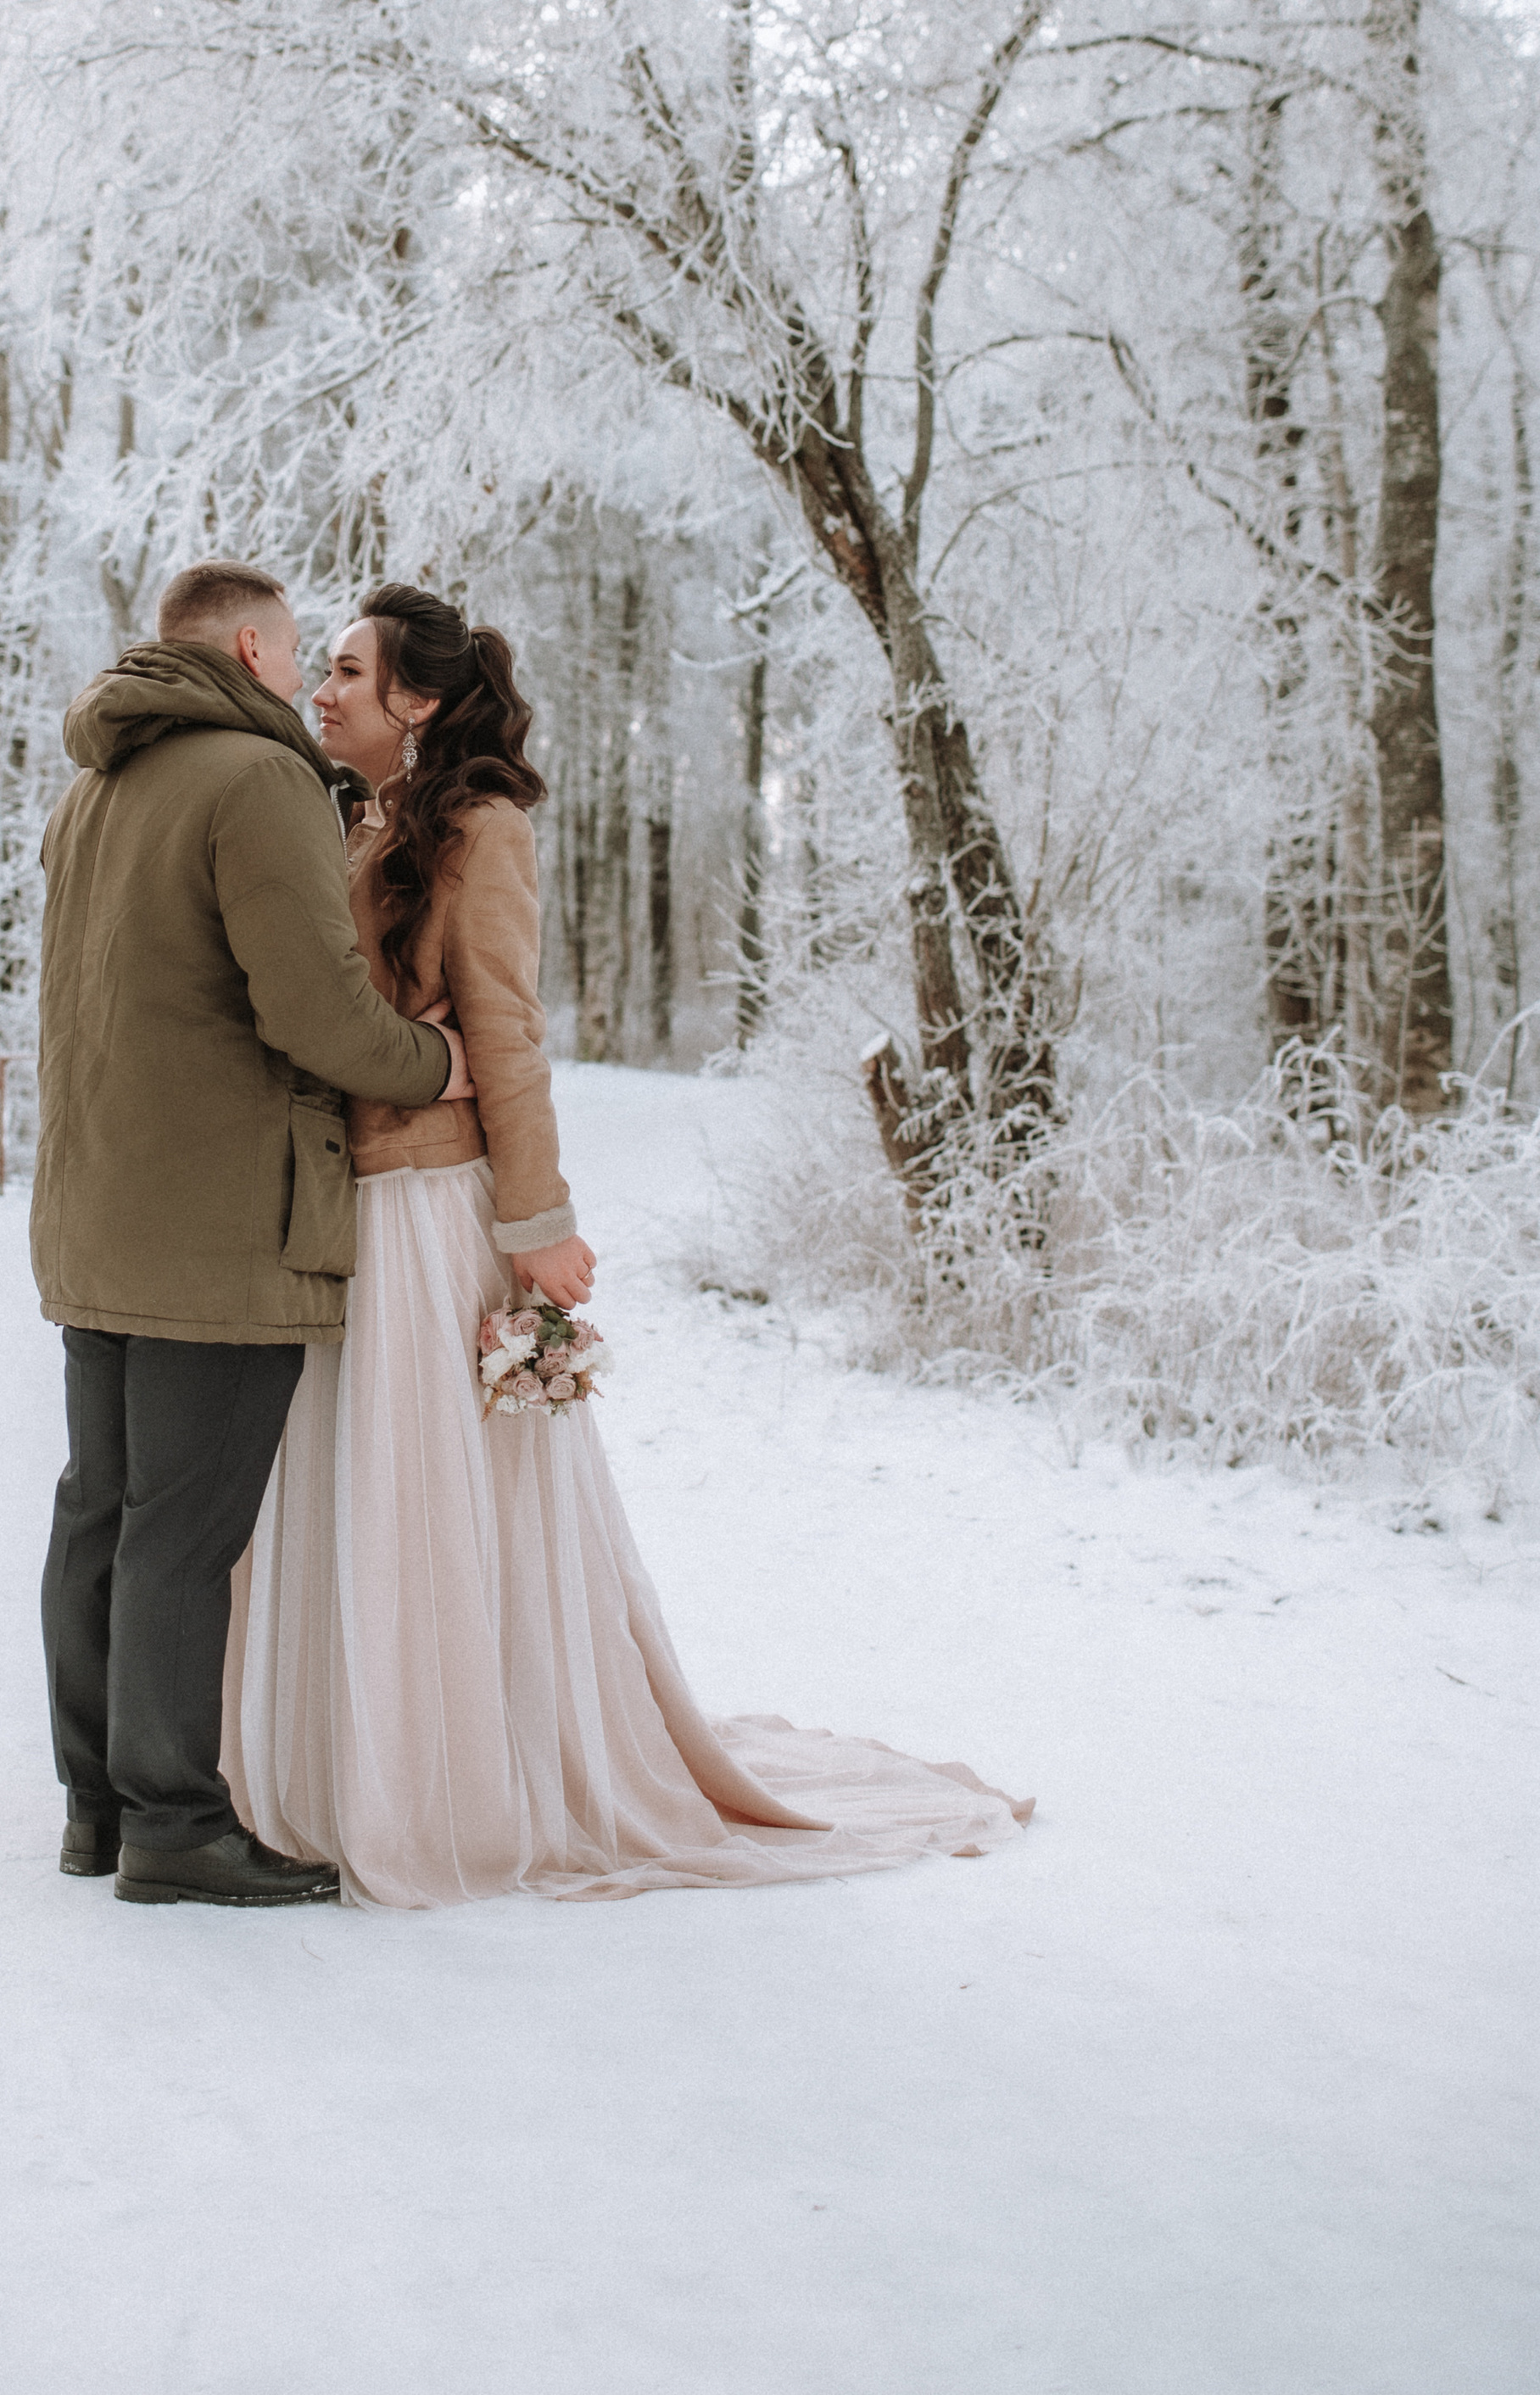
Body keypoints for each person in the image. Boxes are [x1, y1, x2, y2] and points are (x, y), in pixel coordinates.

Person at [223, 581, 1032, 1902]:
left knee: (431, 1502)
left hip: (430, 1213)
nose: (324, 687)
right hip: (336, 1212)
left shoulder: (480, 830)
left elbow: (506, 1031)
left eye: (354, 673)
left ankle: (456, 1780)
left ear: (416, 703)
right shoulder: (353, 819)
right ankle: (340, 1761)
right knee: (351, 1493)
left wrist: (538, 1227)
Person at [32, 559, 476, 1908]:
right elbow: (315, 1011)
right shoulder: (256, 779)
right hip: (221, 1223)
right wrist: (435, 1066)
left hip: (99, 1209)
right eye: (300, 658)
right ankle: (177, 1821)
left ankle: (98, 1806)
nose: (308, 683)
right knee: (185, 1528)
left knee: (100, 1513)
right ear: (249, 648)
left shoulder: (95, 787)